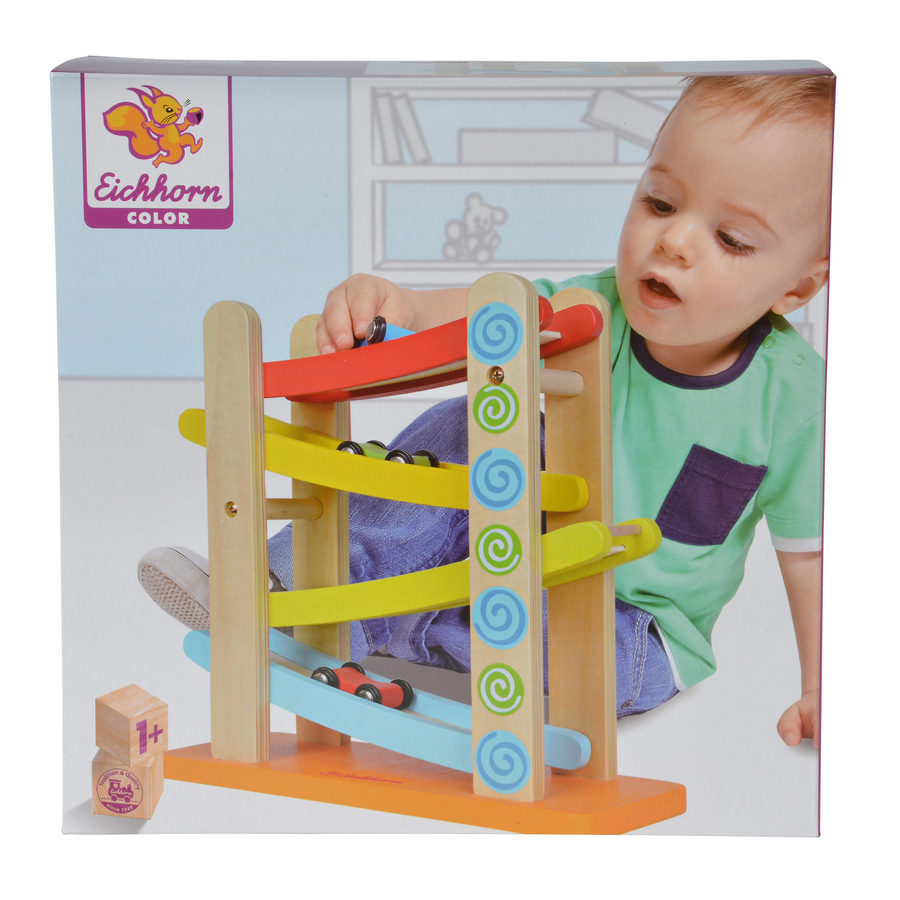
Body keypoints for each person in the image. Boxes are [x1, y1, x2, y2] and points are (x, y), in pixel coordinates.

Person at [139, 74, 833, 748]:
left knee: (555, 645)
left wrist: (823, 685)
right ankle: (280, 587)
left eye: (732, 240)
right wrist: (406, 307)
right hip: (516, 553)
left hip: (639, 628)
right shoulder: (594, 309)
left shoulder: (795, 398)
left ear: (798, 287)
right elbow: (496, 314)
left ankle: (391, 626)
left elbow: (811, 558)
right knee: (471, 422)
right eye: (659, 202)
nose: (674, 241)